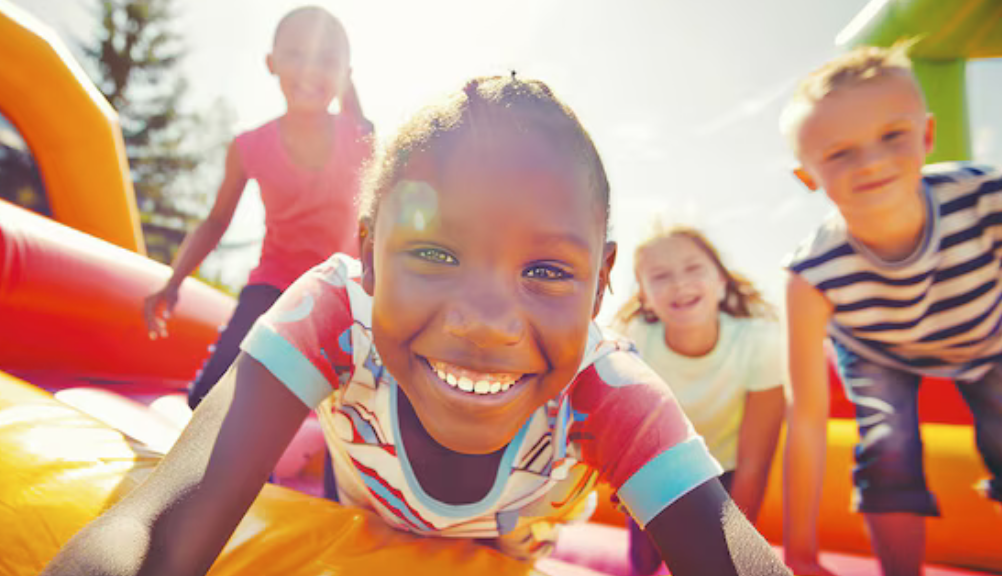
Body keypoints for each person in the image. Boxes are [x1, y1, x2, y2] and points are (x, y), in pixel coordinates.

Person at [42, 75, 791, 576]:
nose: (487, 321)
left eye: (548, 271)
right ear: (366, 254)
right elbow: (161, 527)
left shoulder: (609, 386)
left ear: (600, 285)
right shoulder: (332, 313)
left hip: (513, 543)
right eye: (435, 252)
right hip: (358, 498)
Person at [780, 43, 1002, 576]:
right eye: (840, 153)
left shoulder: (985, 197)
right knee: (888, 443)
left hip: (988, 337)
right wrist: (801, 553)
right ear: (808, 175)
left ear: (925, 136)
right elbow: (808, 416)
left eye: (891, 136)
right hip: (878, 349)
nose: (872, 161)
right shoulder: (811, 274)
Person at [142, 6, 373, 409]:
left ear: (345, 74)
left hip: (347, 290)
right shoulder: (250, 146)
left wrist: (347, 85)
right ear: (271, 63)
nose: (310, 70)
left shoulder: (356, 136)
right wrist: (173, 281)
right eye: (296, 55)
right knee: (207, 397)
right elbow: (216, 221)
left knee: (358, 407)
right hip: (272, 286)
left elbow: (366, 131)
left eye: (326, 60)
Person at [613, 224, 786, 575]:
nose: (679, 283)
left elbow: (755, 461)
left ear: (722, 281)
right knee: (643, 563)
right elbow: (621, 427)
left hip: (725, 471)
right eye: (660, 276)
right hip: (656, 472)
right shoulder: (635, 343)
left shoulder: (758, 343)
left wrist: (736, 545)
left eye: (693, 268)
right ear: (644, 296)